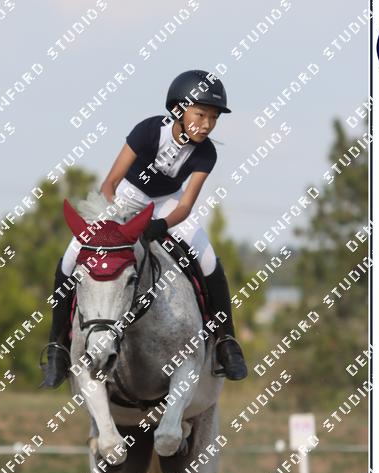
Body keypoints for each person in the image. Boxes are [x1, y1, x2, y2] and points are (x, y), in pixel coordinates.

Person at [40, 69, 248, 388]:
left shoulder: (207, 152)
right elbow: (110, 183)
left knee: (208, 260)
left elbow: (185, 206)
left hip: (168, 203)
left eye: (214, 118)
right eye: (201, 114)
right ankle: (57, 347)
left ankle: (226, 342)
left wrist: (159, 226)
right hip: (125, 198)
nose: (207, 124)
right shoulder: (149, 131)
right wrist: (116, 219)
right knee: (70, 258)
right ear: (178, 110)